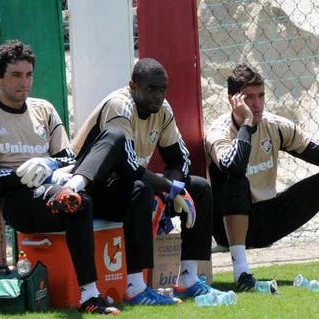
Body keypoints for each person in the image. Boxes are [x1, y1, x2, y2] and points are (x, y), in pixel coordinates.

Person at [0, 40, 122, 315]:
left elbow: (69, 158)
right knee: (78, 203)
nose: (24, 82)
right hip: (18, 201)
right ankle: (90, 295)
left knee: (117, 143)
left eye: (28, 75)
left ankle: (138, 284)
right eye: (16, 75)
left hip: (60, 183)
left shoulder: (44, 109)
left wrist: (47, 164)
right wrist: (24, 175)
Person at [204, 63, 319, 291]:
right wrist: (247, 123)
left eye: (261, 96)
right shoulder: (219, 132)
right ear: (232, 100)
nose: (257, 105)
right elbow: (235, 166)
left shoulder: (274, 126)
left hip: (267, 218)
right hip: (226, 225)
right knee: (237, 179)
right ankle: (242, 275)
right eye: (248, 98)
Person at [71, 57, 214, 303]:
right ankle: (136, 287)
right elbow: (126, 165)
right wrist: (168, 188)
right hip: (94, 185)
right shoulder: (120, 106)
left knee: (200, 188)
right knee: (141, 189)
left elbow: (180, 158)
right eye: (151, 89)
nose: (158, 96)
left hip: (129, 183)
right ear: (133, 86)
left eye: (162, 90)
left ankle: (188, 278)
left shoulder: (162, 110)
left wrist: (174, 188)